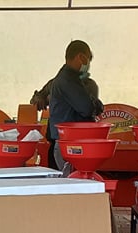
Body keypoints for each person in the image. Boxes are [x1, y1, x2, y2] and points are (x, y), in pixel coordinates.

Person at [44, 40, 104, 170]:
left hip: (69, 141)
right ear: (80, 57)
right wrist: (97, 104)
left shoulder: (70, 79)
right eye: (88, 59)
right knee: (72, 179)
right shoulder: (67, 80)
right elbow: (86, 108)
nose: (88, 64)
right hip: (68, 144)